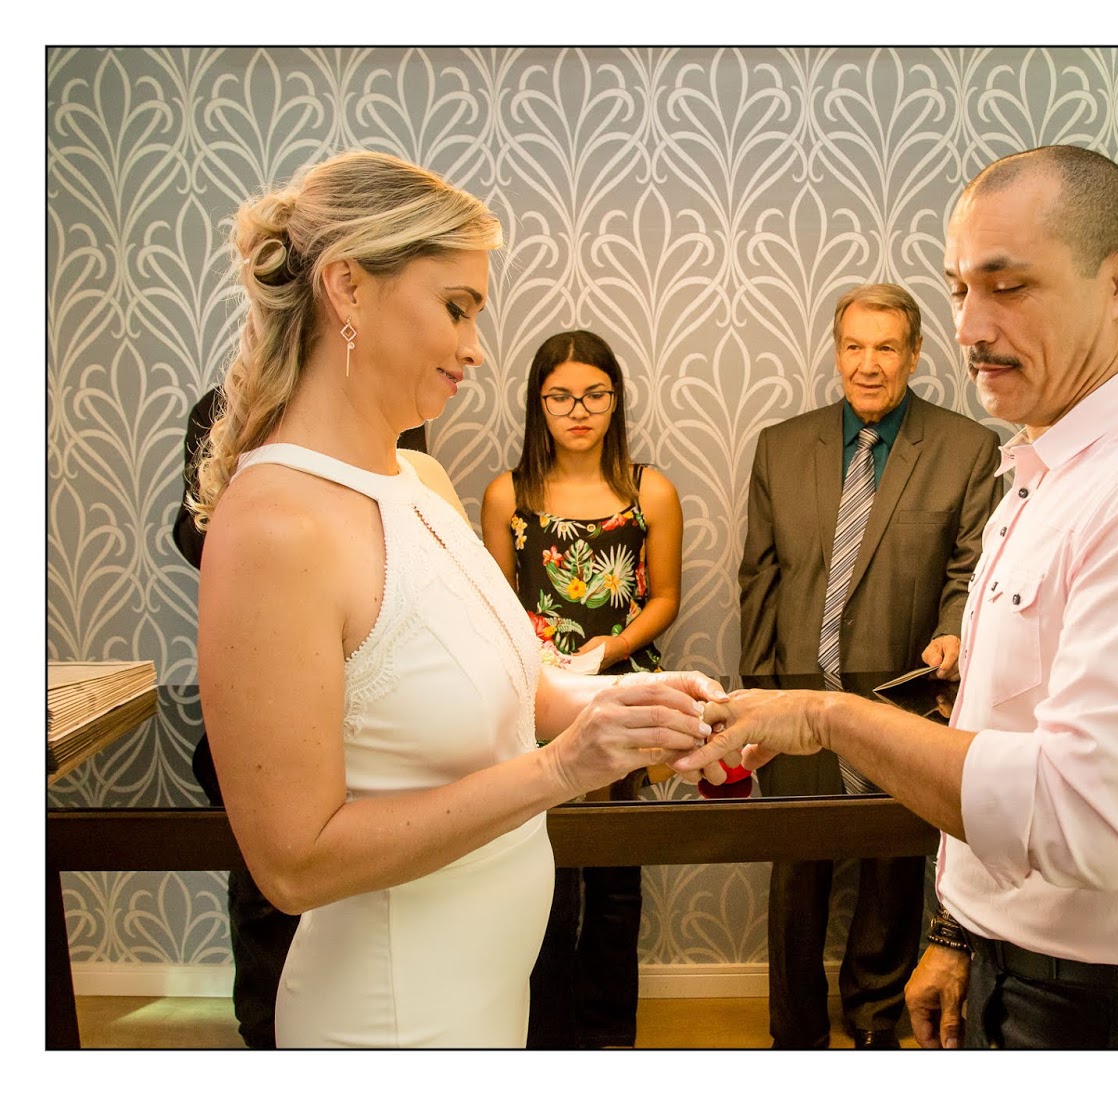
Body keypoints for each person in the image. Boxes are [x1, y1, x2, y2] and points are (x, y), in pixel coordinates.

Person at [685, 145, 1118, 1050]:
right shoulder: (1048, 467)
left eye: (1008, 287)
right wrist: (957, 933)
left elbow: (1084, 823)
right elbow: (1003, 719)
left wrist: (828, 716)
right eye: (960, 289)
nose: (970, 327)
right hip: (1015, 966)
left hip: (1106, 1015)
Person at [191, 149, 723, 1048]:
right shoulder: (275, 526)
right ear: (347, 288)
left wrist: (636, 705)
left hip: (487, 998)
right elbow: (294, 863)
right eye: (456, 307)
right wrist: (562, 771)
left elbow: (522, 688)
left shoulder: (423, 482)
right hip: (391, 1022)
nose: (477, 347)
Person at [738, 282, 1004, 1048]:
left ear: (914, 354)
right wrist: (758, 694)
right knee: (797, 875)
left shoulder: (966, 449)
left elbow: (969, 569)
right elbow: (759, 579)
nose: (868, 364)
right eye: (854, 346)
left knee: (891, 872)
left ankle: (876, 1023)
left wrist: (954, 633)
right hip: (794, 697)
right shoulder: (782, 447)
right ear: (836, 351)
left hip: (898, 702)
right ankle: (794, 1035)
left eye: (886, 348)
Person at [173, 386, 428, 1049]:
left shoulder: (388, 407)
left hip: (371, 689)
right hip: (271, 675)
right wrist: (285, 543)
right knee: (269, 882)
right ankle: (265, 1035)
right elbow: (188, 531)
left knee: (370, 880)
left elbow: (406, 534)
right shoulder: (224, 409)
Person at [481, 329, 683, 1048]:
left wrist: (609, 650)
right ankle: (546, 1038)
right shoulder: (507, 495)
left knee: (616, 878)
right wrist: (544, 664)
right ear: (538, 403)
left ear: (616, 399)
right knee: (544, 877)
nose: (579, 411)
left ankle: (609, 1037)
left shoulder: (649, 490)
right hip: (535, 707)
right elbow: (496, 605)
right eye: (561, 396)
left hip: (626, 699)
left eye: (595, 395)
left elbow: (665, 597)